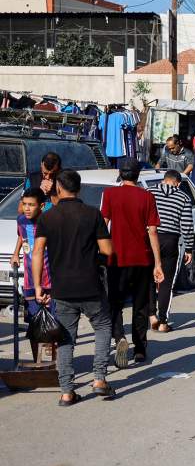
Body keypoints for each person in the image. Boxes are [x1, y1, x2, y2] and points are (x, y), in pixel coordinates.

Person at [32, 170, 114, 406]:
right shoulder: (92, 214)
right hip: (90, 285)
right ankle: (99, 378)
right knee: (102, 326)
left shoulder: (47, 217)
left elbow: (37, 252)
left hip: (62, 288)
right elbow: (107, 250)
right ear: (79, 189)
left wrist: (38, 286)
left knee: (66, 337)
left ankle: (67, 392)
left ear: (58, 188)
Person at [102, 158, 164, 367]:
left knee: (115, 303)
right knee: (141, 305)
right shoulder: (147, 197)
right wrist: (158, 263)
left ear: (121, 174)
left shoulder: (110, 194)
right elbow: (152, 231)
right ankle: (140, 349)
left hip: (116, 258)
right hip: (142, 258)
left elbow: (104, 225)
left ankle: (119, 336)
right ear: (138, 175)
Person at [148, 170, 194, 333]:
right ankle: (162, 322)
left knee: (149, 279)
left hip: (149, 238)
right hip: (170, 241)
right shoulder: (184, 197)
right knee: (166, 282)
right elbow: (187, 226)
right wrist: (189, 248)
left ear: (164, 180)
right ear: (178, 183)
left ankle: (151, 315)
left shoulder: (149, 192)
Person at [12, 188, 53, 333]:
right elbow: (21, 236)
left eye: (31, 205)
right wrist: (15, 253)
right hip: (29, 278)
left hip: (49, 278)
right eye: (24, 204)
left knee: (52, 323)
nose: (27, 208)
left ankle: (53, 345)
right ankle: (36, 349)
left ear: (41, 206)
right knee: (33, 324)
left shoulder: (48, 221)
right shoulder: (21, 220)